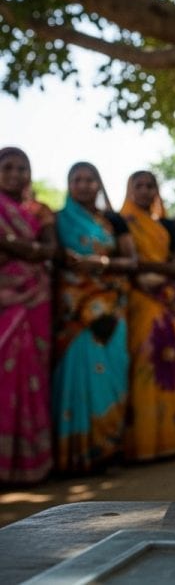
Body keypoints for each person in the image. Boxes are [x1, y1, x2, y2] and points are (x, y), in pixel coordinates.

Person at [52, 162, 138, 474]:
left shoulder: (114, 221)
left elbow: (131, 262)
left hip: (111, 309)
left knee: (111, 376)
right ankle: (75, 456)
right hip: (73, 313)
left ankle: (108, 451)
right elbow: (52, 257)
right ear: (69, 184)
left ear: (99, 184)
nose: (85, 185)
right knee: (76, 372)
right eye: (77, 179)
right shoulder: (58, 220)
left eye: (90, 179)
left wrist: (99, 262)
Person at [120, 171, 175, 460]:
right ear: (129, 188)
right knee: (146, 365)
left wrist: (167, 276)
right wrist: (164, 274)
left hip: (167, 303)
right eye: (139, 185)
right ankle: (144, 444)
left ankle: (171, 440)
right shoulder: (122, 221)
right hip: (141, 301)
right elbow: (132, 266)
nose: (146, 191)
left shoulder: (164, 225)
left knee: (171, 363)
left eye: (151, 186)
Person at [0, 147, 57, 483]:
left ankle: (30, 464)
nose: (16, 174)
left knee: (33, 373)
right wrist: (28, 250)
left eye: (23, 168)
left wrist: (9, 243)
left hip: (35, 299)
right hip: (5, 300)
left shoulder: (40, 210)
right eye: (8, 167)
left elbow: (51, 250)